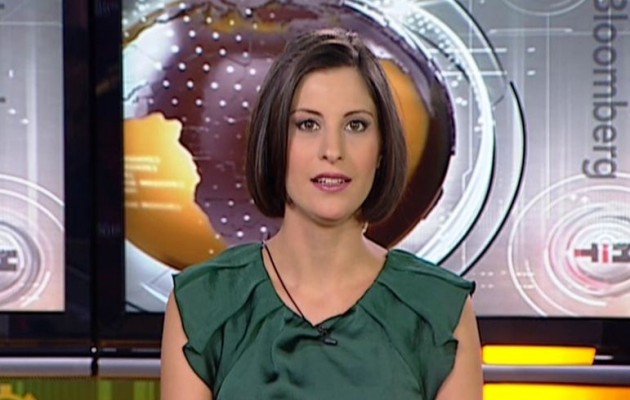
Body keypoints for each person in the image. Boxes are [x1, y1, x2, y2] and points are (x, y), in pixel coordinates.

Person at [160, 27, 483, 400]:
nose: (333, 150)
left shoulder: (439, 311)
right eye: (308, 124)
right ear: (275, 141)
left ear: (381, 150)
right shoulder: (204, 303)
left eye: (356, 125)